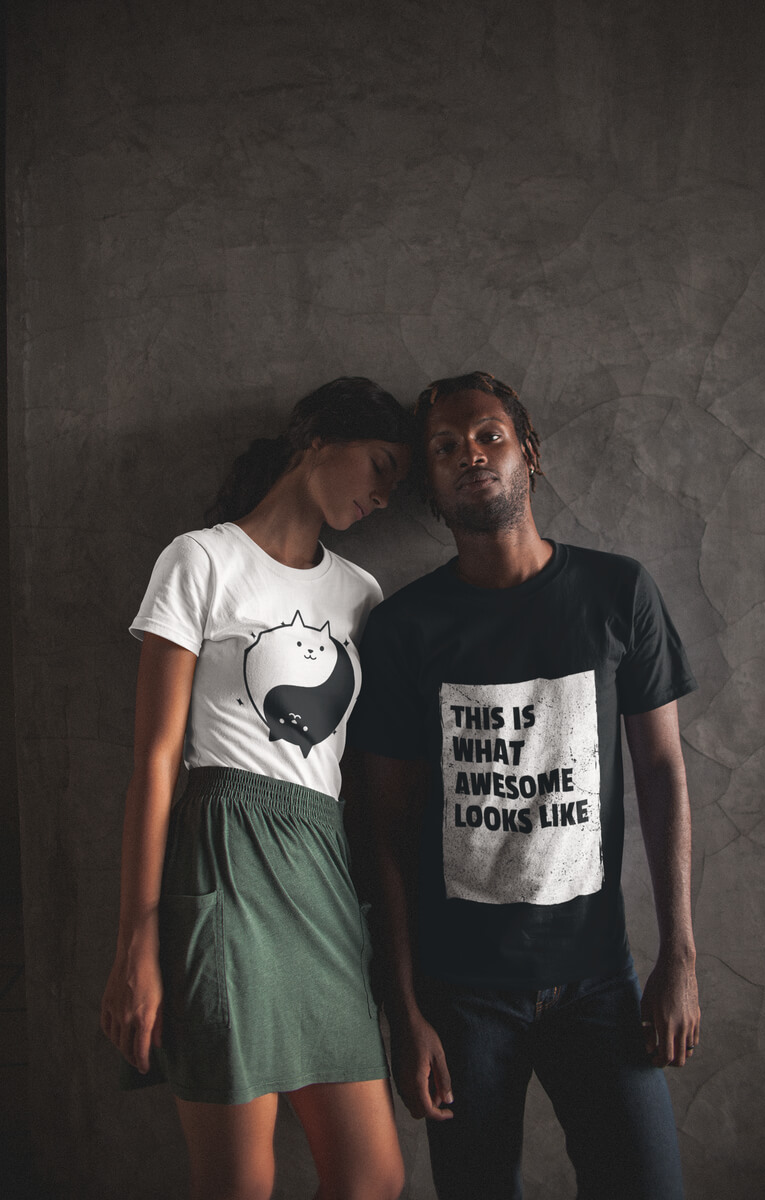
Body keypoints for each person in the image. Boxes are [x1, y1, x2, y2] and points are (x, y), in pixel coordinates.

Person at [348, 371, 701, 1200]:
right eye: (444, 449)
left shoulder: (618, 594)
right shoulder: (405, 630)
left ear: (528, 453)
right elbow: (386, 830)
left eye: (488, 436)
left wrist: (679, 954)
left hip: (599, 984)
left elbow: (661, 770)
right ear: (428, 488)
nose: (469, 455)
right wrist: (404, 1012)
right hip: (460, 1000)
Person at [100, 377, 411, 1200]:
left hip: (323, 875)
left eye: (396, 484)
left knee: (373, 1178)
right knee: (238, 1183)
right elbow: (157, 758)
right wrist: (137, 936)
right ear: (317, 442)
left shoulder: (359, 594)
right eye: (379, 466)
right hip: (222, 861)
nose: (383, 495)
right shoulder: (200, 559)